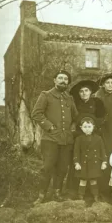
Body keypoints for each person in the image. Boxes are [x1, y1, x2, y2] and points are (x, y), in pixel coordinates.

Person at [31, 70, 78, 204]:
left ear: (68, 82)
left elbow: (75, 117)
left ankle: (57, 192)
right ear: (54, 80)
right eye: (60, 78)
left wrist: (73, 128)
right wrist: (50, 127)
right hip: (50, 139)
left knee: (63, 168)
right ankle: (41, 195)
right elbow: (36, 114)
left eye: (65, 79)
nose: (63, 81)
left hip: (66, 140)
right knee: (47, 167)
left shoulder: (69, 98)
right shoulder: (46, 95)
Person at [68, 79, 106, 198]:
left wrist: (93, 128)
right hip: (79, 134)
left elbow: (102, 117)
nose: (84, 93)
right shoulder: (75, 103)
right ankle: (75, 190)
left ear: (91, 92)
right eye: (81, 91)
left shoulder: (97, 102)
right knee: (78, 159)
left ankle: (95, 191)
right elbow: (72, 118)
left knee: (94, 161)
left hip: (93, 132)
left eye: (86, 91)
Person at [71, 115, 107, 203]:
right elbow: (76, 152)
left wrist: (104, 162)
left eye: (89, 127)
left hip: (94, 163)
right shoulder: (79, 139)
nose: (87, 129)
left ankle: (96, 196)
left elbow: (103, 151)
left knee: (93, 180)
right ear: (81, 128)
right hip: (83, 163)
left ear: (93, 127)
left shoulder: (98, 138)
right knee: (82, 180)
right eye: (85, 127)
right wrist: (76, 163)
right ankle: (80, 197)